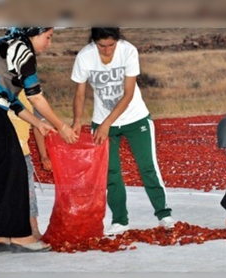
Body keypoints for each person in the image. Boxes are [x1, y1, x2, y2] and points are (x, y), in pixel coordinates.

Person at [0, 27, 78, 253]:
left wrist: (38, 123)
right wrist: (61, 126)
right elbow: (36, 96)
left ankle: (1, 236)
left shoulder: (4, 43)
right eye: (48, 37)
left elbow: (11, 99)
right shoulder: (23, 51)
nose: (49, 44)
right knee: (15, 172)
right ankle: (22, 236)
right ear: (35, 32)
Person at [71, 27, 175, 235]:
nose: (107, 50)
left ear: (118, 41)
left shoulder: (128, 51)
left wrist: (107, 123)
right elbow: (80, 94)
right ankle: (120, 220)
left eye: (111, 45)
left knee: (148, 167)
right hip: (102, 121)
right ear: (94, 42)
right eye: (102, 45)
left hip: (135, 118)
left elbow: (128, 94)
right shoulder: (85, 56)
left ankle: (163, 214)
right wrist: (76, 121)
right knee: (111, 173)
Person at [8, 91, 53, 240]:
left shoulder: (29, 95)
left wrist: (43, 155)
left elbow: (38, 126)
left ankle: (32, 228)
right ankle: (2, 234)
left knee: (28, 193)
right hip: (0, 151)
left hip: (22, 152)